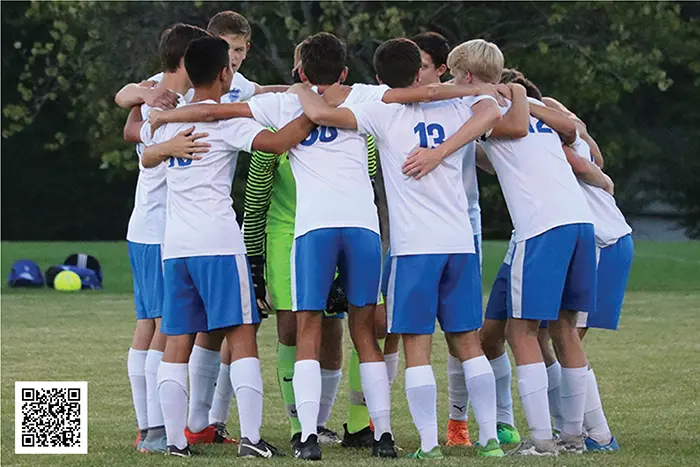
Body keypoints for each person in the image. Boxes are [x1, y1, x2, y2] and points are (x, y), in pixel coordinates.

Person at [292, 37, 505, 459]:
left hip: (413, 248)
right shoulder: (459, 105)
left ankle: (428, 445)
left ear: (377, 78)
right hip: (460, 243)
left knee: (416, 346)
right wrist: (445, 149)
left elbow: (319, 113)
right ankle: (491, 440)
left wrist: (299, 88)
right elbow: (493, 109)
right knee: (468, 343)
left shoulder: (379, 111)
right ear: (422, 71)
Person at [417, 39, 598, 456]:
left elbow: (508, 129)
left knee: (521, 330)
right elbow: (553, 135)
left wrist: (514, 96)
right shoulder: (533, 112)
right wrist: (521, 98)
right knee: (565, 327)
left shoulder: (494, 106)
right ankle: (574, 436)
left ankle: (540, 440)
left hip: (541, 227)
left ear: (464, 76)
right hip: (578, 223)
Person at [138, 36, 315, 458]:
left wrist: (162, 146)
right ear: (225, 73)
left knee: (177, 338)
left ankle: (175, 441)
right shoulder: (225, 123)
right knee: (242, 334)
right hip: (218, 242)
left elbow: (146, 152)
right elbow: (276, 143)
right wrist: (315, 113)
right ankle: (252, 439)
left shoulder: (162, 118)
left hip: (176, 246)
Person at [242, 39, 376, 450]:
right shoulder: (277, 124)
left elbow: (368, 176)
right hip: (289, 231)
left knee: (353, 324)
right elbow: (255, 200)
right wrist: (255, 263)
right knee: (292, 326)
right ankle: (302, 424)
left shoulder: (357, 121)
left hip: (346, 227)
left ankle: (355, 424)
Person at [117, 22, 209, 454]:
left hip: (156, 228)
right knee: (158, 326)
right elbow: (126, 99)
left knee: (152, 324)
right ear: (186, 58)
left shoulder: (170, 97)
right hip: (157, 229)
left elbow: (129, 118)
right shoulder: (156, 93)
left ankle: (152, 427)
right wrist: (144, 95)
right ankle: (152, 428)